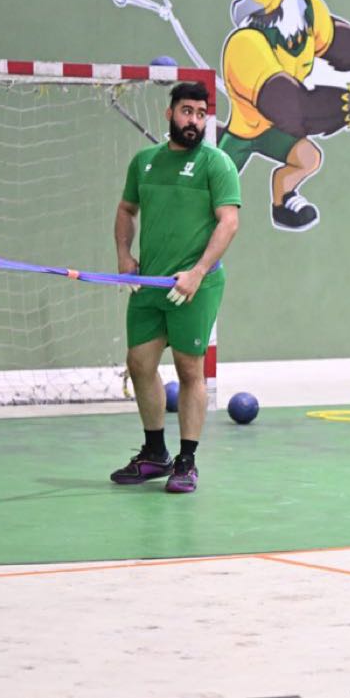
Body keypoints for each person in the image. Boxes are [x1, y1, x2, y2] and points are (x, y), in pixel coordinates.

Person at [110, 81, 241, 493]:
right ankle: (154, 453)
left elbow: (229, 222)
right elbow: (126, 209)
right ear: (170, 114)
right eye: (187, 111)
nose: (194, 121)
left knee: (189, 370)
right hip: (150, 282)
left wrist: (198, 272)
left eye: (201, 114)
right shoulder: (144, 162)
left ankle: (187, 460)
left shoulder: (217, 164)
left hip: (196, 285)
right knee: (139, 363)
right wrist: (124, 256)